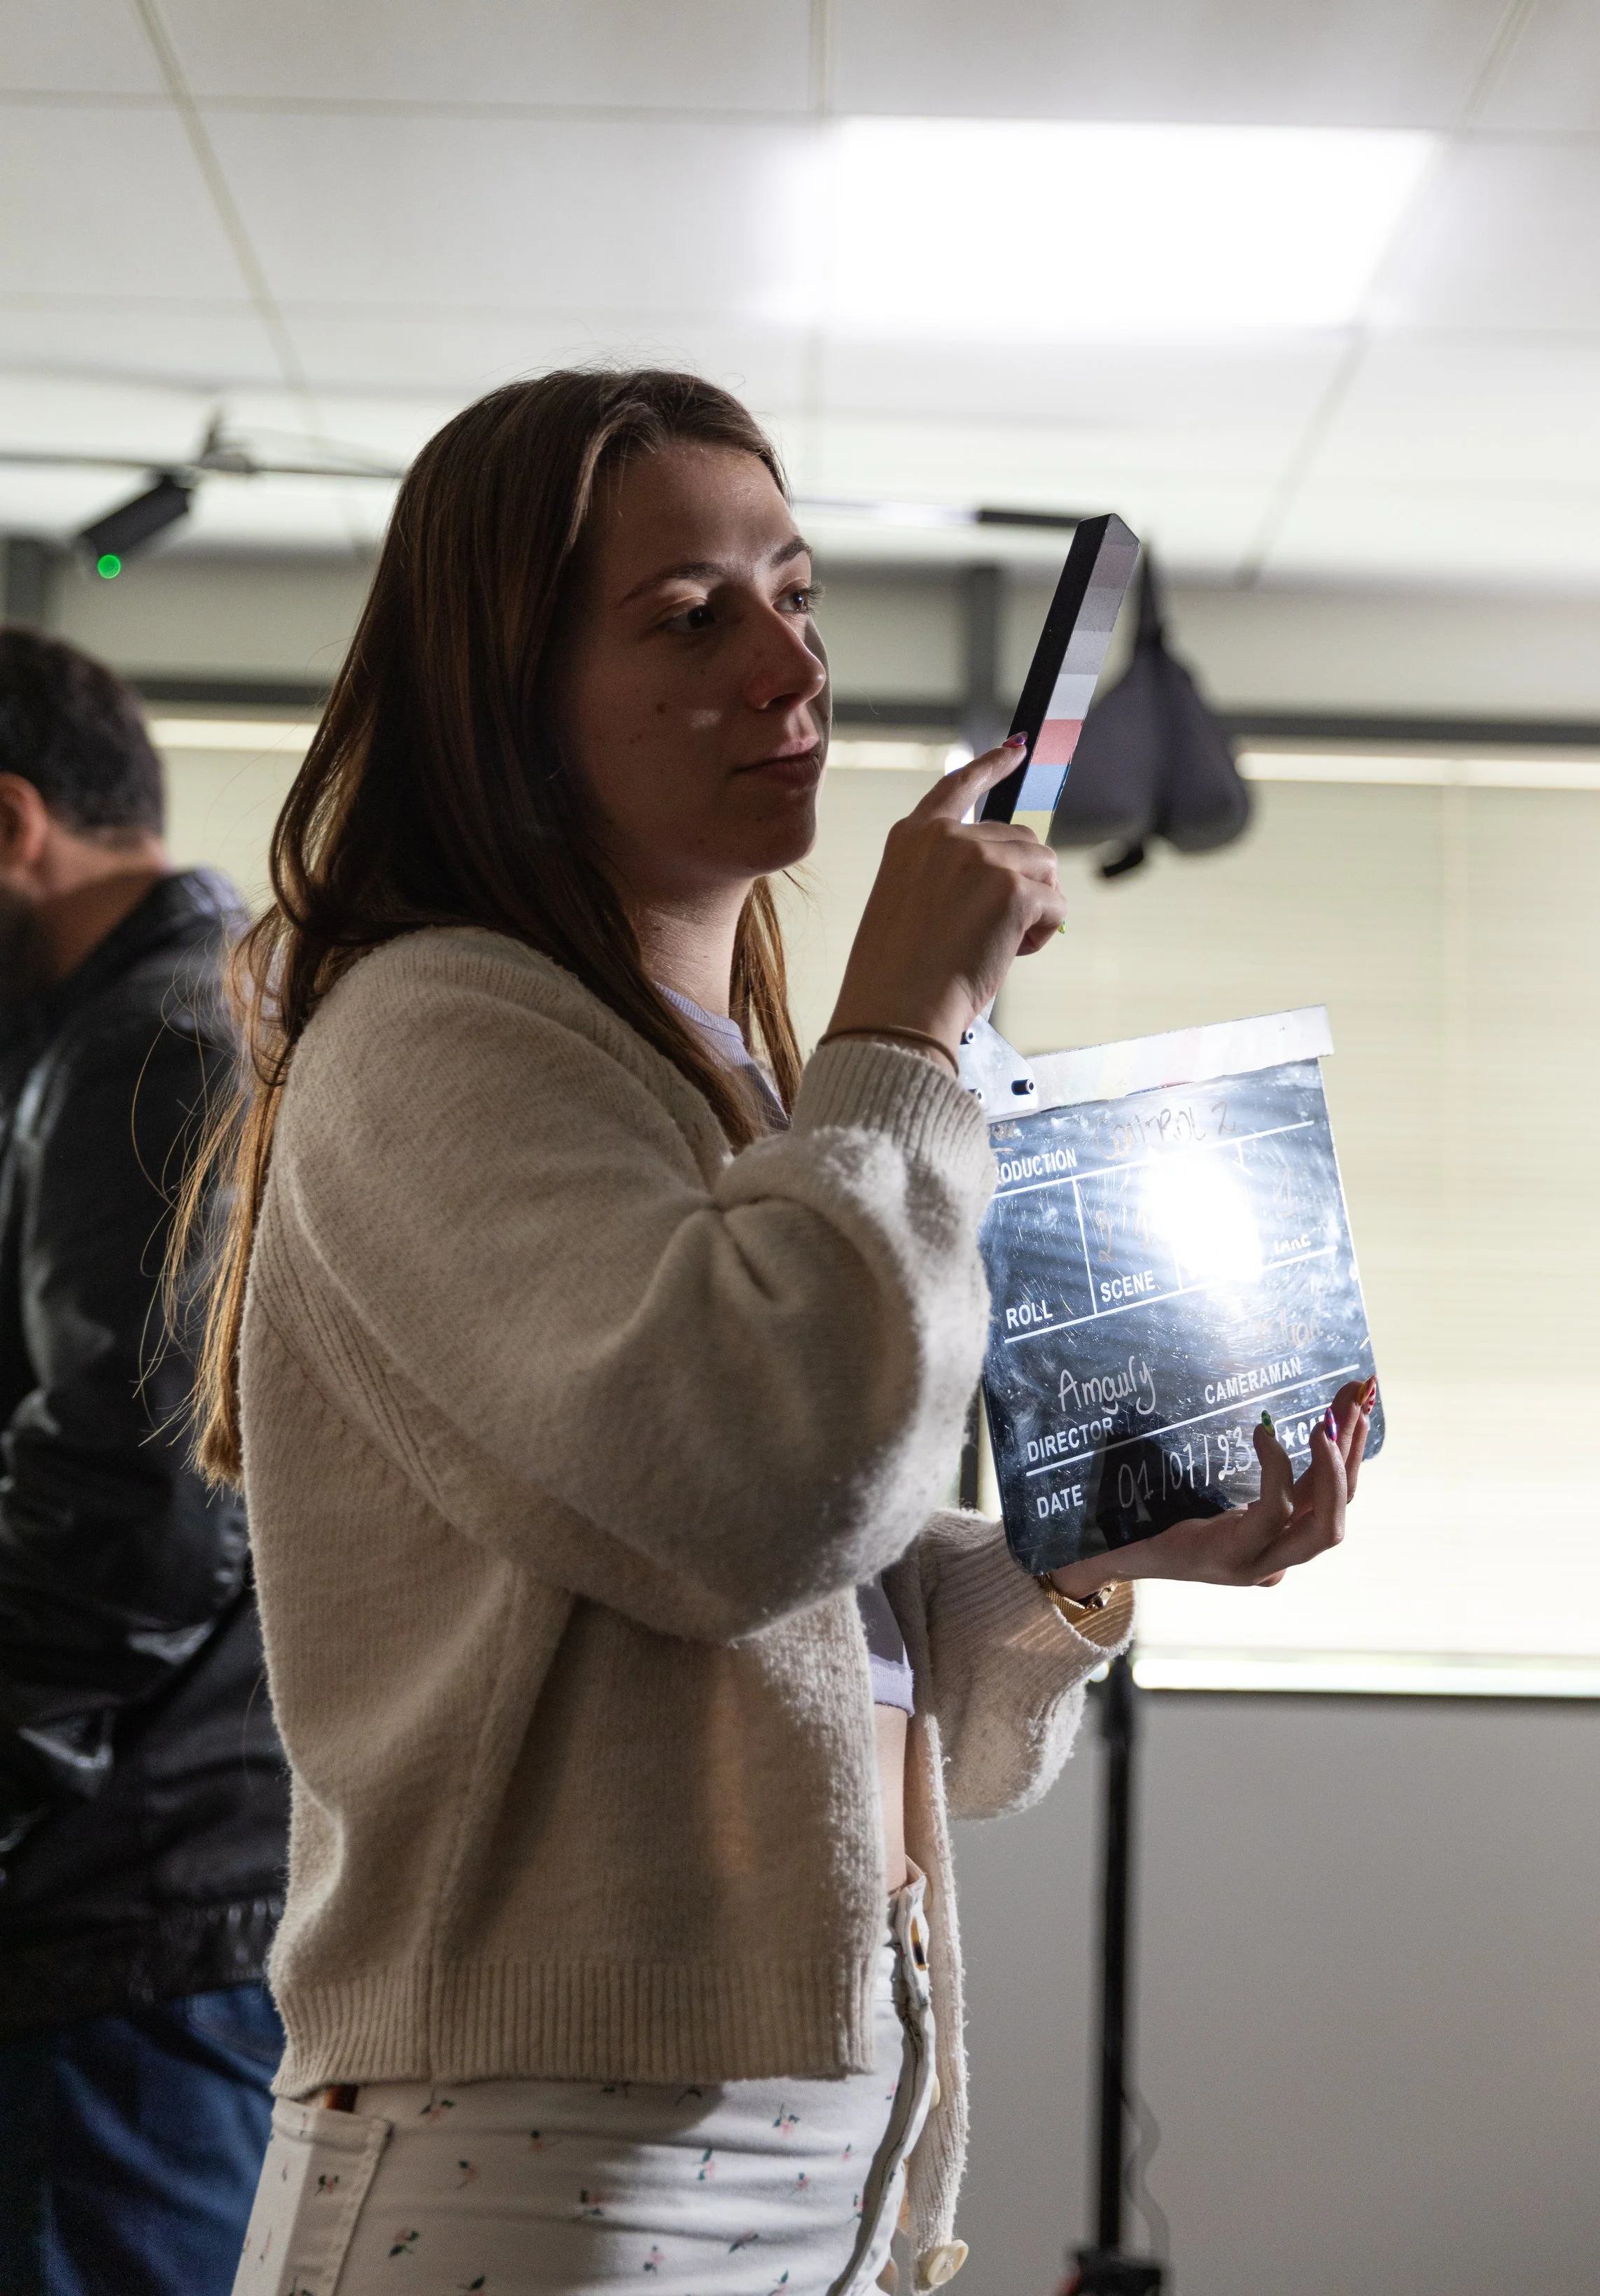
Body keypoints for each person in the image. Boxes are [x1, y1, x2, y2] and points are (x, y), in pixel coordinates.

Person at [199, 369, 1370, 2296]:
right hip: (539, 2149)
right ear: (504, 698)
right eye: (689, 617)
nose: (787, 665)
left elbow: (781, 1607)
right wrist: (903, 1032)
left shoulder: (718, 1076)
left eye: (796, 591)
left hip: (793, 2138)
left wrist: (1071, 1564)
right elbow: (753, 1482)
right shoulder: (439, 1029)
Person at [0, 629, 290, 2293]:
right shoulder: (150, 1023)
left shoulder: (155, 1049)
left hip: (131, 1921)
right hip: (137, 1906)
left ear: (13, 825)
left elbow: (140, 1510)